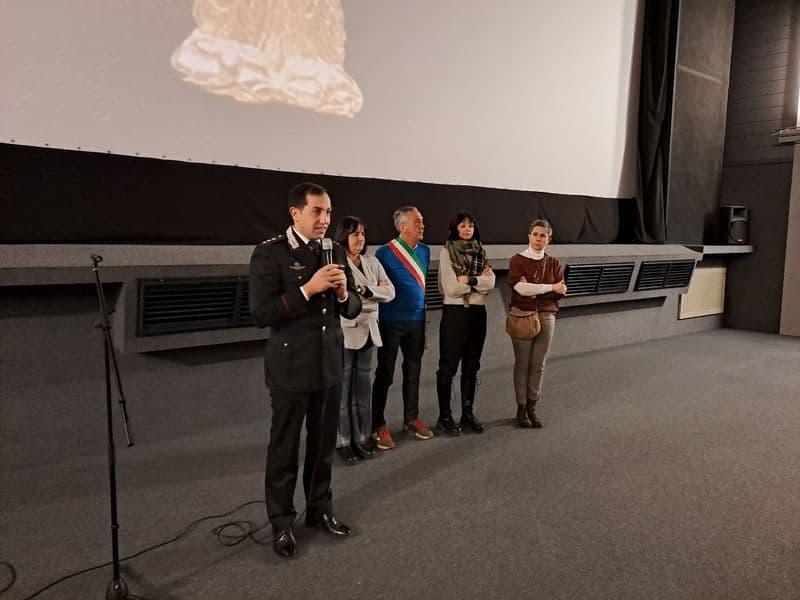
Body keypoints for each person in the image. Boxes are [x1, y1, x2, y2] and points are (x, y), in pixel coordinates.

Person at [249, 182, 362, 559]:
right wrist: (308, 290)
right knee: (284, 448)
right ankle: (282, 523)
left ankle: (319, 510)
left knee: (322, 446)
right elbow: (261, 313)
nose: (325, 219)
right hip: (290, 368)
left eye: (328, 212)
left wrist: (346, 294)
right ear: (295, 213)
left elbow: (351, 309)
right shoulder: (270, 254)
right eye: (317, 211)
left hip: (328, 365)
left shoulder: (333, 250)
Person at [333, 216, 395, 465]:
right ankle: (344, 441)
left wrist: (367, 291)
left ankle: (361, 436)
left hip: (370, 332)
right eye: (354, 234)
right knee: (343, 391)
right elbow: (345, 300)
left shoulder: (372, 261)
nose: (360, 238)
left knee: (363, 390)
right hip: (347, 333)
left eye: (362, 234)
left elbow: (390, 292)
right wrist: (371, 293)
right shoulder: (337, 264)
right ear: (343, 237)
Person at [370, 206, 433, 449]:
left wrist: (425, 327)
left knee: (414, 372)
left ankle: (411, 418)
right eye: (417, 222)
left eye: (422, 221)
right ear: (402, 227)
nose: (422, 226)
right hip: (390, 323)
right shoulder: (384, 253)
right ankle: (377, 424)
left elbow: (423, 291)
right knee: (385, 374)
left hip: (416, 322)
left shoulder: (426, 251)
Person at [436, 211, 496, 435]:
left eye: (470, 225)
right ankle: (444, 416)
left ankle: (467, 413)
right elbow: (451, 288)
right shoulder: (446, 251)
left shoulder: (480, 250)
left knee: (472, 366)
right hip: (455, 313)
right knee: (448, 366)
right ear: (455, 228)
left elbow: (490, 283)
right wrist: (479, 283)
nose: (467, 229)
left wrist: (469, 280)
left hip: (478, 313)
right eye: (462, 225)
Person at [507, 219, 567, 428]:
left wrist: (541, 288)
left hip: (546, 316)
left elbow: (561, 290)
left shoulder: (554, 263)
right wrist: (550, 287)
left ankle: (532, 406)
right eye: (535, 234)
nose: (538, 239)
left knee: (538, 364)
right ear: (529, 236)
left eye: (543, 235)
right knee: (522, 363)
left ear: (548, 239)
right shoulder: (517, 260)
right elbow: (521, 289)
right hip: (522, 316)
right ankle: (521, 407)